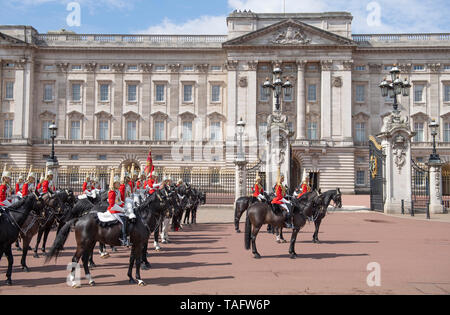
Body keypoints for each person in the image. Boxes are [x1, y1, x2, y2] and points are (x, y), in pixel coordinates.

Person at [107, 171, 129, 246]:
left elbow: (119, 201)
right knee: (123, 222)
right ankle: (124, 238)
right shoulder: (112, 192)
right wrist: (122, 209)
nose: (119, 184)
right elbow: (112, 205)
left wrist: (122, 204)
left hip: (117, 209)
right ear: (114, 184)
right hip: (113, 211)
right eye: (118, 183)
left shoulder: (117, 191)